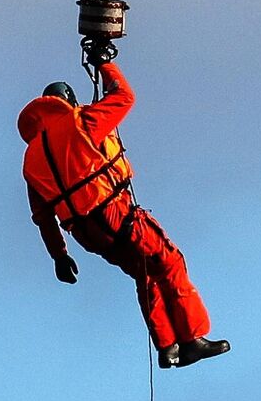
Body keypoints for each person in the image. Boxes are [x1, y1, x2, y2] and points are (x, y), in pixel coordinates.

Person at [19, 55, 229, 369]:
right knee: (169, 262)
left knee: (145, 274)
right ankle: (192, 339)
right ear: (68, 102)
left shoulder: (31, 158)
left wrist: (59, 256)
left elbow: (43, 217)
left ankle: (168, 347)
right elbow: (123, 97)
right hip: (114, 213)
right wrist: (105, 64)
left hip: (87, 235)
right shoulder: (81, 122)